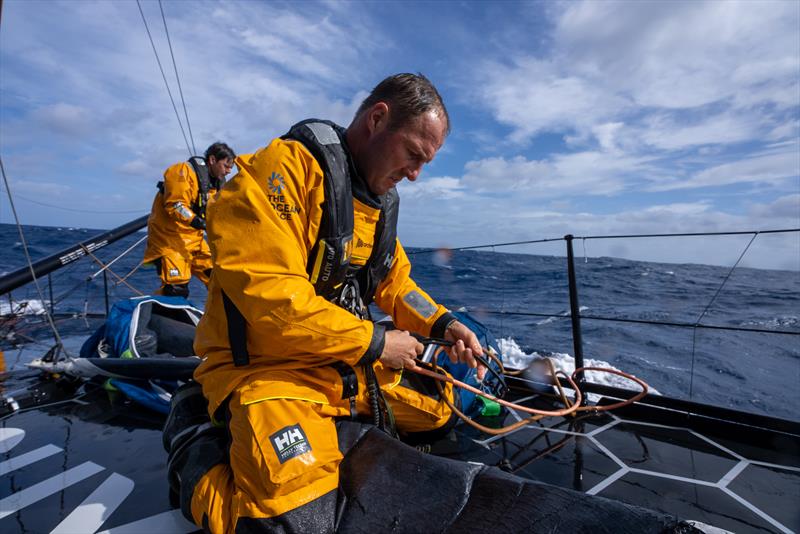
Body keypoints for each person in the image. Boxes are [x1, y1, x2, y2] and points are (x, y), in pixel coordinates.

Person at [166, 73, 486, 532]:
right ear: (378, 119)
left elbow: (396, 284)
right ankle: (193, 434)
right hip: (270, 369)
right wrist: (378, 344)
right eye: (414, 155)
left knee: (442, 410)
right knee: (289, 523)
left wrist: (443, 324)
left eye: (424, 163)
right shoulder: (280, 174)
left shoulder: (377, 205)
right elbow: (273, 302)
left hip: (340, 363)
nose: (415, 174)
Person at [143, 142, 236, 297]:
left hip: (196, 241)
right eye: (226, 166)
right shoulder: (183, 172)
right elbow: (176, 205)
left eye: (230, 168)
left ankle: (215, 319)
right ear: (212, 160)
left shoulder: (218, 185)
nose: (229, 171)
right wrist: (197, 222)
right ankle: (161, 314)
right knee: (176, 289)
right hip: (170, 240)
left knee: (220, 280)